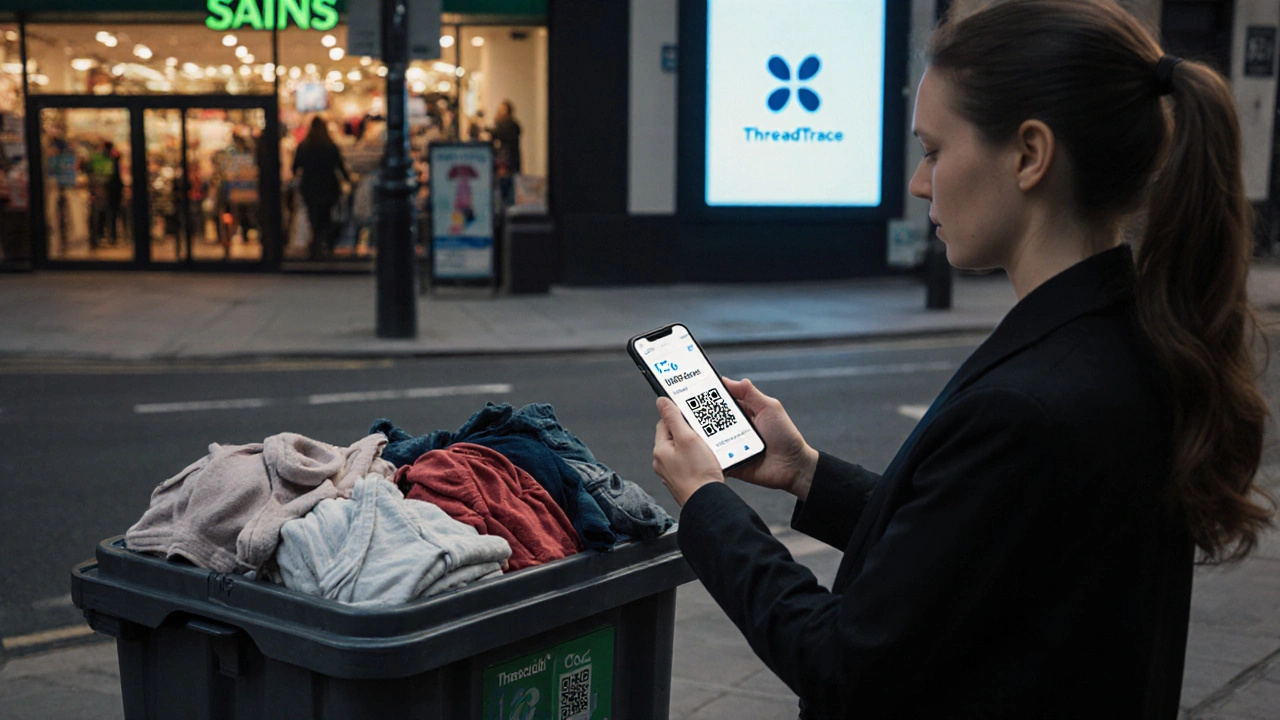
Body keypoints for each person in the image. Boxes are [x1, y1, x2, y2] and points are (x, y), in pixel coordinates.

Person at [649, 2, 1275, 718]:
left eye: (935, 150)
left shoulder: (1033, 402)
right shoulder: (1123, 337)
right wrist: (808, 475)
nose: (920, 182)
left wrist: (706, 504)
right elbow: (976, 552)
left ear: (1029, 155)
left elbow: (842, 663)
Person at [291, 116, 350, 260]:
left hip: (310, 187)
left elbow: (295, 167)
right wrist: (348, 181)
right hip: (329, 186)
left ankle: (316, 246)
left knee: (313, 217)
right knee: (326, 217)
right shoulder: (330, 146)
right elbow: (340, 167)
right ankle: (324, 244)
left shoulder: (304, 146)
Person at [488, 100, 521, 207]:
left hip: (508, 160)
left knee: (508, 186)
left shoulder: (512, 126)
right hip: (504, 160)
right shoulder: (503, 125)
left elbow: (499, 134)